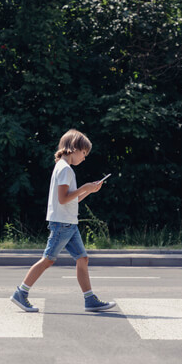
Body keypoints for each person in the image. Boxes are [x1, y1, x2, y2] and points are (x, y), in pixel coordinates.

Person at [10, 129, 116, 312]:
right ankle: (21, 293)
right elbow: (63, 198)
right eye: (84, 153)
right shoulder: (66, 169)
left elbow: (69, 200)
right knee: (48, 260)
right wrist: (84, 187)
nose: (84, 158)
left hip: (69, 223)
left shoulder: (62, 167)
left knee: (82, 259)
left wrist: (88, 191)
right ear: (74, 148)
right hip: (62, 224)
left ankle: (89, 299)